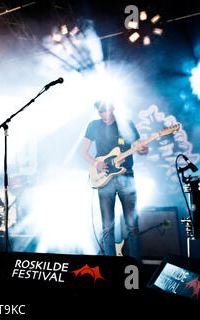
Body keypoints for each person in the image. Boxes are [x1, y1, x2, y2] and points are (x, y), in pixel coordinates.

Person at [81, 101, 148, 264]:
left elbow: (138, 147)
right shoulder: (93, 125)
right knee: (107, 227)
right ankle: (111, 268)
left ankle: (136, 267)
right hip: (104, 180)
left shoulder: (126, 124)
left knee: (132, 226)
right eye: (100, 112)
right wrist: (96, 163)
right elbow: (84, 152)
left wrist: (143, 150)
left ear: (113, 108)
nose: (103, 115)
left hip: (127, 177)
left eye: (106, 111)